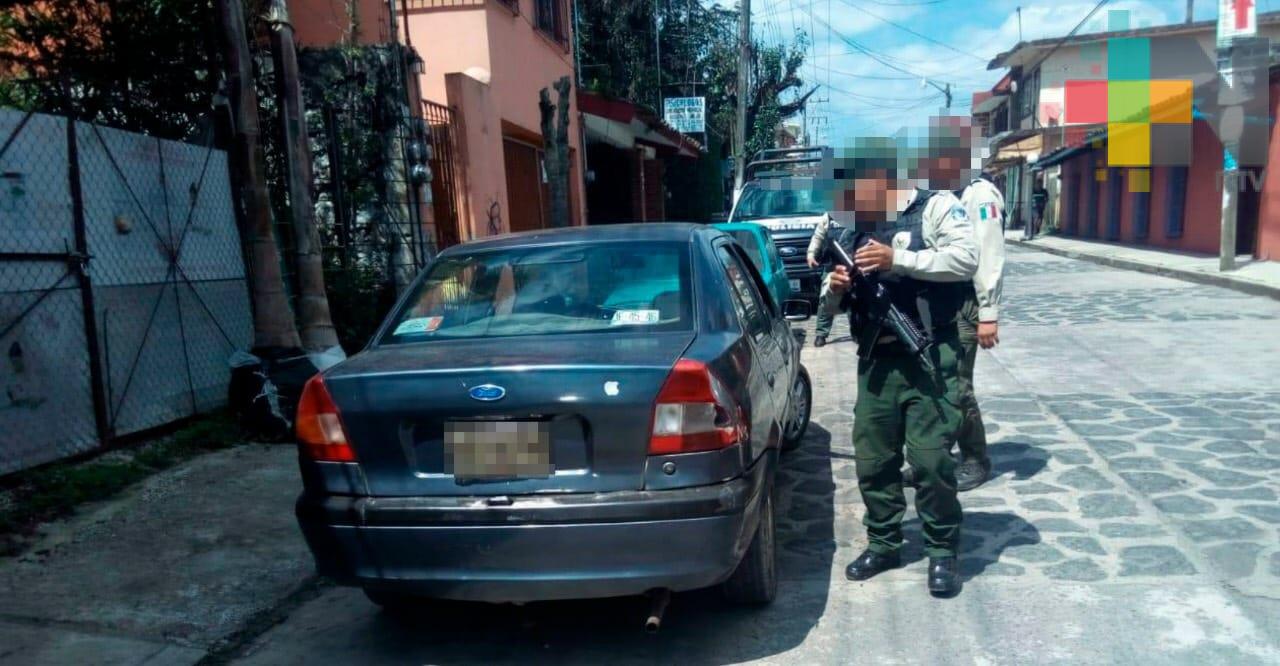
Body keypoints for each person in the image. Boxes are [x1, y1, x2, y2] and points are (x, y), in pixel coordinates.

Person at [827, 139, 977, 596]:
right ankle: (884, 544)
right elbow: (828, 299)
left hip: (929, 355)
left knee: (931, 462)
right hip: (876, 361)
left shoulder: (936, 207)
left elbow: (966, 259)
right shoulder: (852, 224)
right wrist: (835, 288)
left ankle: (942, 551)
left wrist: (900, 260)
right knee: (874, 460)